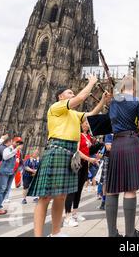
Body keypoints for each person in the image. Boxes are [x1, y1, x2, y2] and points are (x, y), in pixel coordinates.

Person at [28, 74, 109, 237]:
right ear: (61, 97)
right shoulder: (56, 107)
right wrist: (92, 83)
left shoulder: (73, 114)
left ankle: (55, 233)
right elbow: (81, 97)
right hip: (57, 149)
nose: (72, 95)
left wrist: (103, 101)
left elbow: (92, 114)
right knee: (45, 197)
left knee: (61, 196)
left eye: (72, 93)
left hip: (70, 153)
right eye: (69, 93)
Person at [105, 75, 139, 237]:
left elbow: (110, 121)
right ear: (134, 87)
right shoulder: (137, 102)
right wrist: (137, 128)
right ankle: (130, 234)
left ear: (121, 87)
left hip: (116, 143)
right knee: (130, 188)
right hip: (131, 141)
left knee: (112, 188)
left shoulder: (114, 102)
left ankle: (112, 234)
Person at [63, 120, 99, 227]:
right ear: (81, 124)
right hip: (77, 164)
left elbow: (89, 150)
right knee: (72, 190)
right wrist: (89, 159)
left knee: (79, 189)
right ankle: (67, 216)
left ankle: (74, 213)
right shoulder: (77, 135)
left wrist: (98, 147)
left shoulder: (87, 136)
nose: (87, 125)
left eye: (88, 123)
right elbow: (77, 151)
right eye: (86, 123)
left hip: (84, 165)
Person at [0, 137, 24, 215]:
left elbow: (20, 162)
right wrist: (15, 150)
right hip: (4, 172)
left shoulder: (19, 152)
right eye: (17, 142)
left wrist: (19, 169)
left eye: (20, 143)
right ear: (12, 142)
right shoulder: (8, 149)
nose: (18, 144)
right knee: (2, 189)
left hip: (12, 172)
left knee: (6, 189)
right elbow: (5, 157)